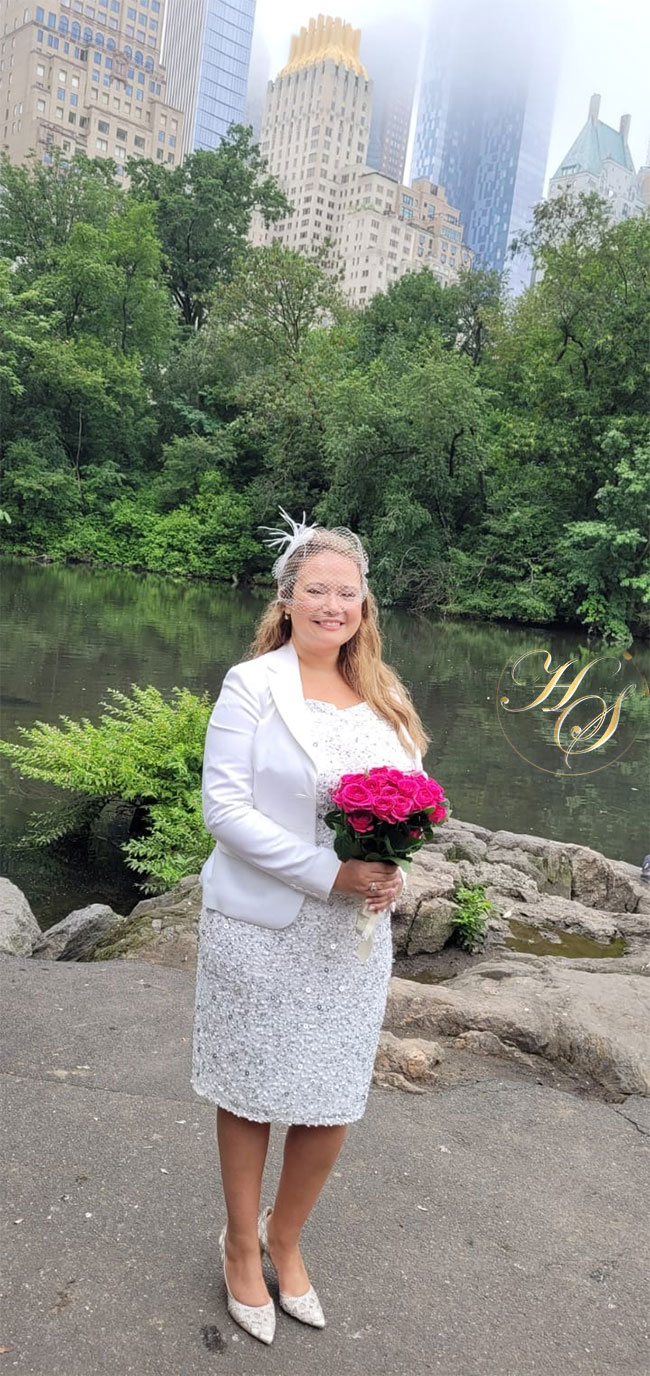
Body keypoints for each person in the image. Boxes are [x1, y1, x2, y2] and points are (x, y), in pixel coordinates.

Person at [190, 509, 430, 1345]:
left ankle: (284, 1239)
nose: (334, 606)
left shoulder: (385, 696)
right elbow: (224, 810)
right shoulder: (252, 685)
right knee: (251, 1090)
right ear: (287, 600)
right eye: (317, 591)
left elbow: (414, 802)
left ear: (365, 605)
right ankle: (238, 1243)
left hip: (350, 937)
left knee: (330, 1099)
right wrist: (330, 873)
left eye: (348, 593)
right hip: (264, 927)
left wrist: (392, 868)